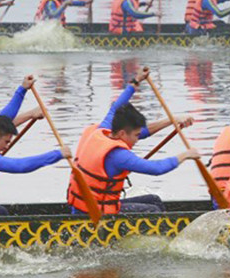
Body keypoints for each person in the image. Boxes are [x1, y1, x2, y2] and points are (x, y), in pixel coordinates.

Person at [67, 68, 198, 215]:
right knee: (153, 210)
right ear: (122, 133)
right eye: (136, 135)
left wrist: (136, 81)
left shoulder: (103, 131)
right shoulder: (119, 155)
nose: (138, 138)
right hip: (96, 215)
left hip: (82, 207)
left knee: (154, 200)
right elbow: (157, 169)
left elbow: (116, 107)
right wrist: (186, 155)